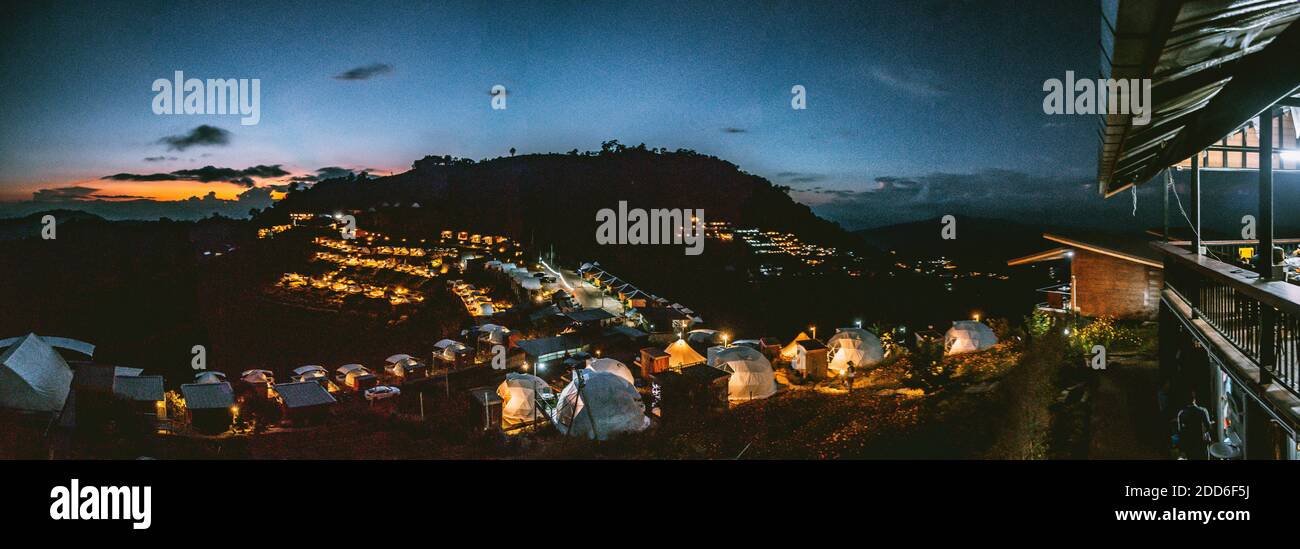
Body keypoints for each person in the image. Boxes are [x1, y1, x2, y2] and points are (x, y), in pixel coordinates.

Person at [1175, 392, 1213, 460]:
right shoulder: (1201, 412)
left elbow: (1180, 431)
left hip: (1188, 444)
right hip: (1200, 443)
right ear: (1194, 400)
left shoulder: (1181, 414)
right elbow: (1208, 427)